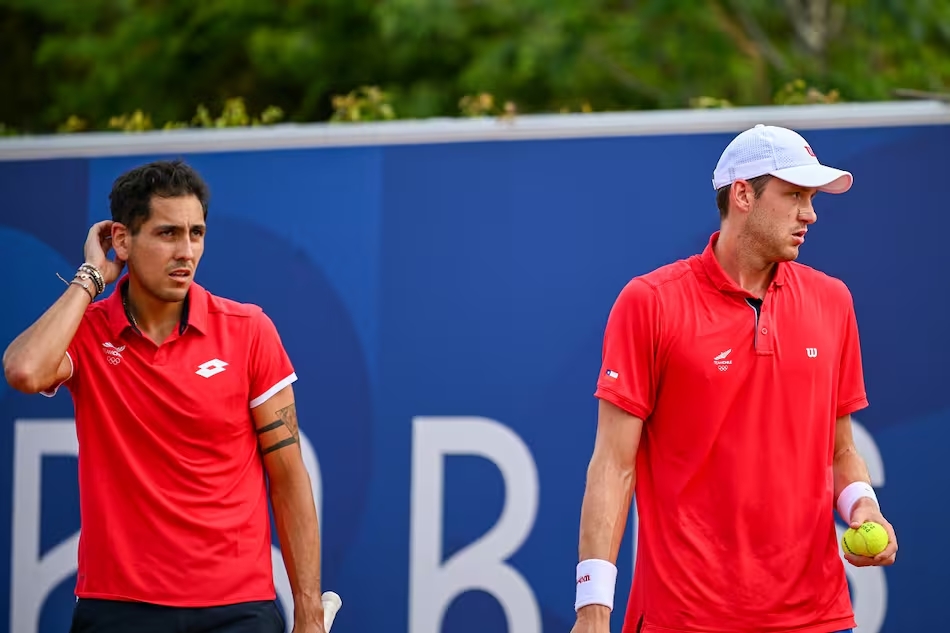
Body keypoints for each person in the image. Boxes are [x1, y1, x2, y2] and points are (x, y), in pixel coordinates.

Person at [571, 125, 898, 633]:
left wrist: (865, 508)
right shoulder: (650, 303)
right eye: (794, 196)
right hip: (684, 618)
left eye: (811, 198)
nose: (809, 213)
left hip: (819, 617)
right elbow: (613, 466)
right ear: (743, 194)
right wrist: (593, 607)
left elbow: (839, 452)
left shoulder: (833, 302)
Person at [2, 160, 326, 633]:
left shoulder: (249, 330)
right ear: (122, 240)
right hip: (118, 608)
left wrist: (310, 614)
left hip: (238, 611)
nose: (187, 251)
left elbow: (289, 477)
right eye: (167, 233)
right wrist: (91, 276)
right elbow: (24, 369)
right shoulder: (86, 332)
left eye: (196, 233)